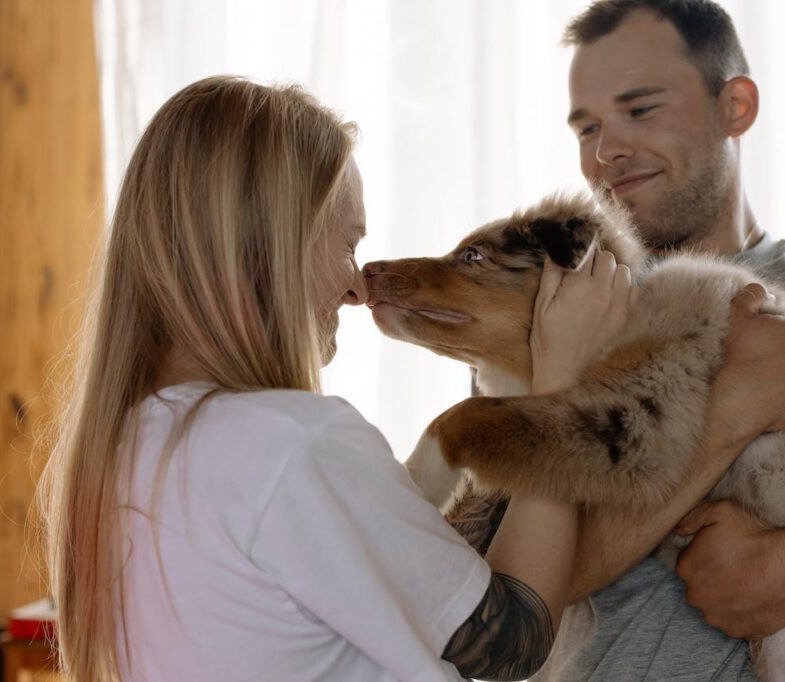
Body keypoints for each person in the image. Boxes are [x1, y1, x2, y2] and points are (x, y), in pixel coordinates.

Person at [37, 74, 682, 682]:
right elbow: (509, 640)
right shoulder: (292, 446)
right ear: (268, 246)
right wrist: (557, 391)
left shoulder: (130, 444)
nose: (354, 286)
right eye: (345, 244)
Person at [534, 0, 785, 679]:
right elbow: (510, 599)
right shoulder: (557, 329)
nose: (605, 151)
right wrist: (733, 415)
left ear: (737, 106)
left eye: (640, 111)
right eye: (587, 128)